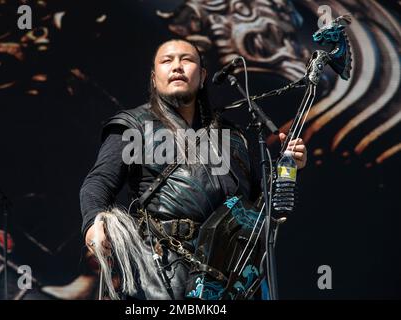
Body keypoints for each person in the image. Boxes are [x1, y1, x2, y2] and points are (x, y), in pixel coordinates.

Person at [79, 39, 307, 300]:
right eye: (167, 61)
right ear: (154, 79)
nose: (177, 66)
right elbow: (98, 183)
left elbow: (260, 209)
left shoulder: (233, 137)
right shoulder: (134, 126)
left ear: (203, 76)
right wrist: (92, 224)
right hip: (163, 274)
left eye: (186, 60)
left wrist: (289, 168)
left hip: (229, 278)